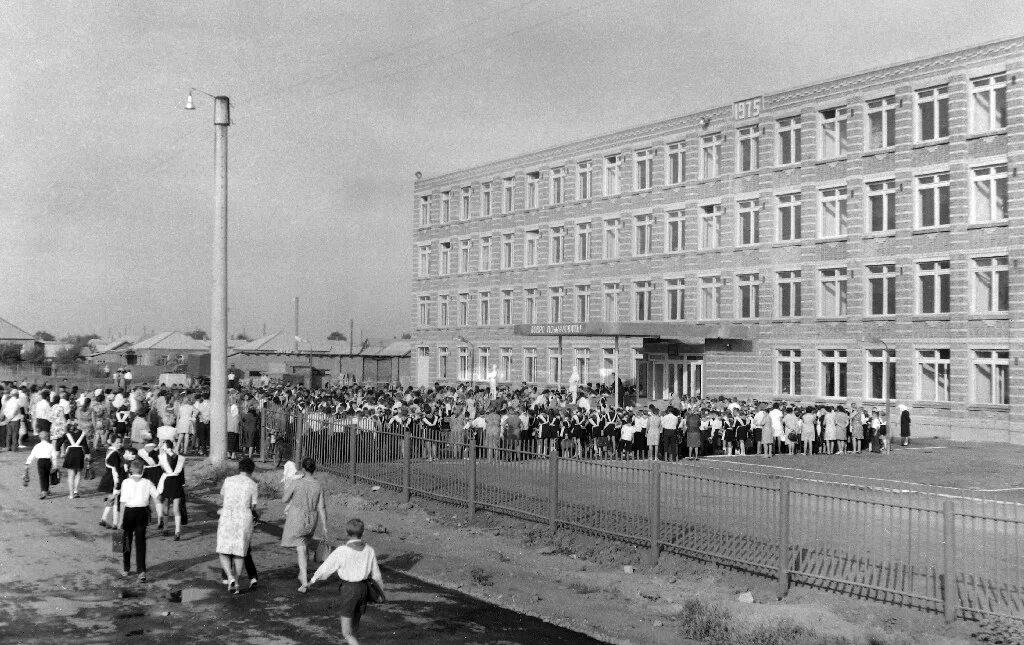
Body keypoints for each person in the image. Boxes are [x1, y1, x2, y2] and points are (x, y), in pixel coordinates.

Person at [306, 518, 384, 645]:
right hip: (364, 589)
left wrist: (312, 581)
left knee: (346, 633)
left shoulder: (342, 551)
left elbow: (326, 568)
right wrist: (381, 591)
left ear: (346, 533)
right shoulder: (369, 550)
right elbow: (376, 574)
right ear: (363, 533)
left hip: (349, 591)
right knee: (354, 630)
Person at [216, 457, 259, 594]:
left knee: (224, 549)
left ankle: (229, 577)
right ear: (251, 471)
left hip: (227, 515)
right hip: (243, 518)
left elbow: (223, 495)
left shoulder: (228, 481)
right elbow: (253, 505)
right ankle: (236, 580)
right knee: (240, 552)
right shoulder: (253, 485)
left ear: (239, 468)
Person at [284, 458, 328, 592]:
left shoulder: (297, 483)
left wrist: (290, 485)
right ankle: (301, 574)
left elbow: (284, 499)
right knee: (305, 545)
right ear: (314, 469)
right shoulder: (318, 485)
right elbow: (322, 507)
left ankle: (304, 579)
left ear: (303, 469)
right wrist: (325, 525)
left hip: (297, 518)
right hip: (312, 519)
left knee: (301, 548)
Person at [118, 459, 160, 582]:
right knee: (141, 541)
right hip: (142, 512)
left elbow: (123, 503)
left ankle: (126, 568)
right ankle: (141, 571)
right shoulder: (148, 482)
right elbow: (157, 497)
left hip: (129, 512)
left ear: (130, 470)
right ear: (143, 470)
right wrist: (160, 514)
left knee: (126, 539)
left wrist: (120, 520)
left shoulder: (125, 482)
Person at [157, 440, 186, 540]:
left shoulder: (162, 457)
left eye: (163, 445)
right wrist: (182, 484)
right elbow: (182, 473)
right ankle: (177, 531)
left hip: (167, 482)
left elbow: (161, 470)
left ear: (165, 446)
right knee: (176, 508)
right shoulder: (181, 458)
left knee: (166, 507)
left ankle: (165, 528)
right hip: (177, 482)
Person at [99, 436, 125, 528]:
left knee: (112, 499)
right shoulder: (115, 454)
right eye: (117, 442)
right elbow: (117, 469)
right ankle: (114, 522)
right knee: (115, 499)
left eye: (120, 442)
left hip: (108, 476)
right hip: (114, 478)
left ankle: (105, 519)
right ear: (113, 443)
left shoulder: (109, 451)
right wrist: (119, 482)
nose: (120, 444)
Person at [24, 430, 57, 499]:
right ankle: (46, 490)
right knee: (47, 476)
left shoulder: (37, 446)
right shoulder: (50, 445)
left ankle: (43, 491)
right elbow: (54, 456)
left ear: (40, 438)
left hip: (40, 462)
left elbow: (32, 455)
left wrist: (28, 462)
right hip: (48, 461)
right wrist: (55, 465)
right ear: (47, 438)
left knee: (42, 476)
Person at [62, 420, 87, 499]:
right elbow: (85, 445)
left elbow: (58, 444)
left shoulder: (67, 434)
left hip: (70, 454)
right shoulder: (82, 434)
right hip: (79, 454)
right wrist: (88, 454)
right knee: (78, 473)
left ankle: (71, 494)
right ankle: (76, 491)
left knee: (70, 475)